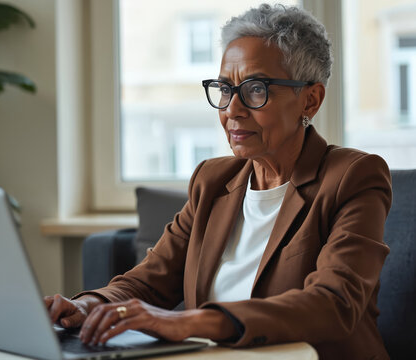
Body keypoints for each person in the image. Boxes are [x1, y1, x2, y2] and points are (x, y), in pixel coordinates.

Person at [45, 4, 392, 359]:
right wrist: (90, 305)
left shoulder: (354, 177)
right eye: (225, 89)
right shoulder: (212, 180)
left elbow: (334, 304)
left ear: (311, 100)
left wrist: (192, 322)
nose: (232, 110)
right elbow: (150, 280)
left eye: (256, 89)